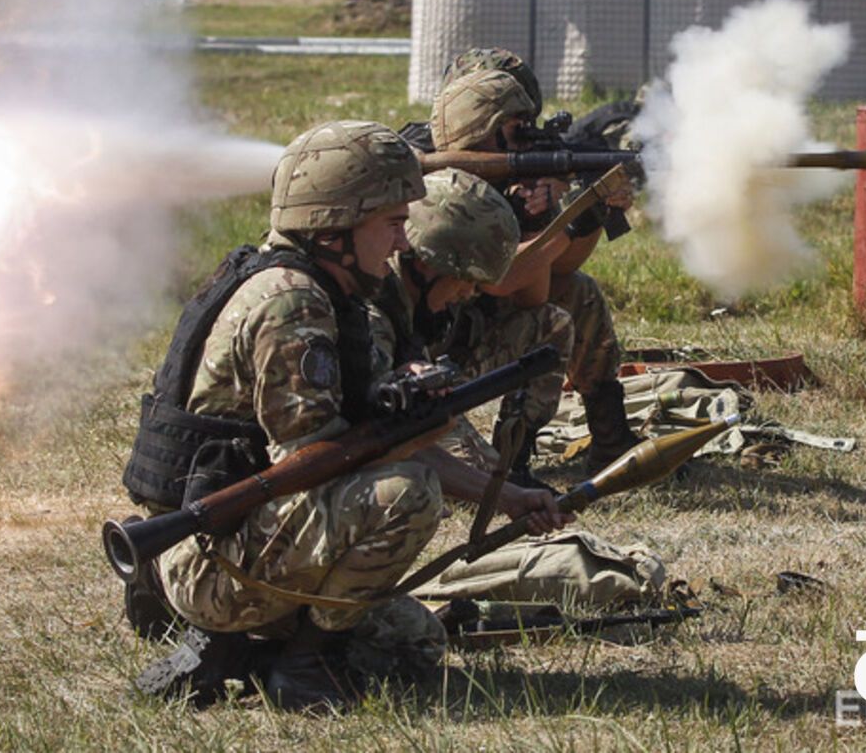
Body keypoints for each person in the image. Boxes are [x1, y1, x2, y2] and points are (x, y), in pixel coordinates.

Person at [118, 120, 570, 710]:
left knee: (414, 644)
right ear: (335, 227)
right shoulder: (291, 305)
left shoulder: (321, 287)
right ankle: (301, 666)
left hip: (230, 533)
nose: (404, 242)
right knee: (407, 494)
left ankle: (236, 651)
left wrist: (499, 491)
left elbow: (348, 446)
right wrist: (412, 440)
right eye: (390, 224)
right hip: (210, 553)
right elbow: (314, 460)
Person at [427, 68, 641, 482]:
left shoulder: (505, 188)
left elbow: (543, 288)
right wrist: (563, 225)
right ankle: (504, 468)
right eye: (515, 129)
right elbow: (499, 280)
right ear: (479, 131)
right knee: (470, 479)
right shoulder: (449, 194)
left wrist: (582, 215)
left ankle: (601, 439)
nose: (528, 137)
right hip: (420, 366)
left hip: (465, 338)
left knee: (576, 294)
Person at [371, 167, 575, 479]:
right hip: (386, 415)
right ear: (427, 264)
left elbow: (534, 300)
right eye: (464, 279)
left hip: (437, 373)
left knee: (551, 324)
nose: (468, 292)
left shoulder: (424, 289)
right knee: (482, 475)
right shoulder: (374, 309)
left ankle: (517, 454)